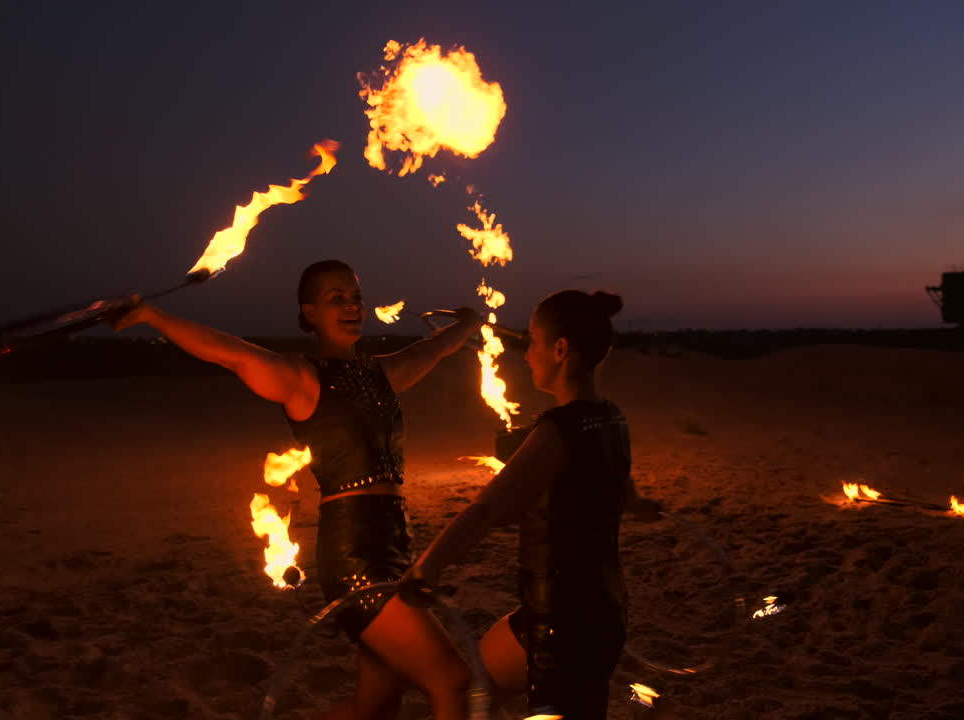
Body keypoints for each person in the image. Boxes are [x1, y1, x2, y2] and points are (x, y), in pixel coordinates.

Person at [112, 260, 478, 720]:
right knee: (452, 682)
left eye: (355, 296)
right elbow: (229, 352)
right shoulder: (302, 379)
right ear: (309, 313)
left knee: (375, 708)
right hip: (355, 557)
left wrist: (469, 322)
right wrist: (152, 317)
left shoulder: (384, 374)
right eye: (336, 298)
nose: (352, 306)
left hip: (396, 546)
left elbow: (437, 347)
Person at [398, 289, 661, 720]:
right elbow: (621, 487)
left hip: (562, 626)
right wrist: (637, 504)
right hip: (597, 609)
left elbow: (487, 509)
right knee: (470, 695)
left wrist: (426, 567)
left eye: (533, 342)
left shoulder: (557, 430)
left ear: (560, 350)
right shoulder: (612, 418)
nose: (525, 355)